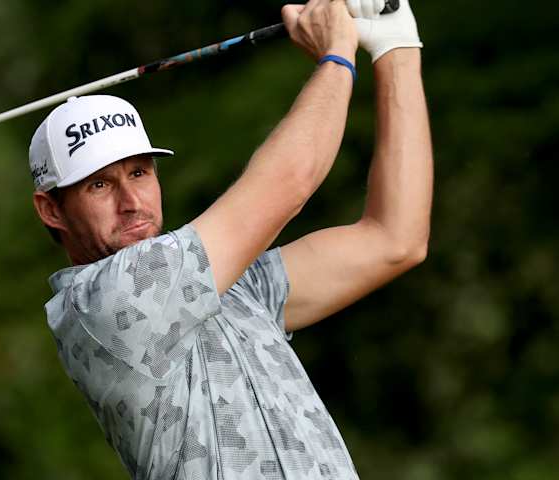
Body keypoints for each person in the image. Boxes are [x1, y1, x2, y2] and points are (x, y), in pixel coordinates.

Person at [29, 0, 432, 478]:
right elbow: (288, 184)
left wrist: (396, 47)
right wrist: (338, 54)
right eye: (98, 184)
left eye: (139, 172)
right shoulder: (104, 304)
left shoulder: (233, 288)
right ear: (51, 209)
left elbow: (395, 240)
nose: (131, 201)